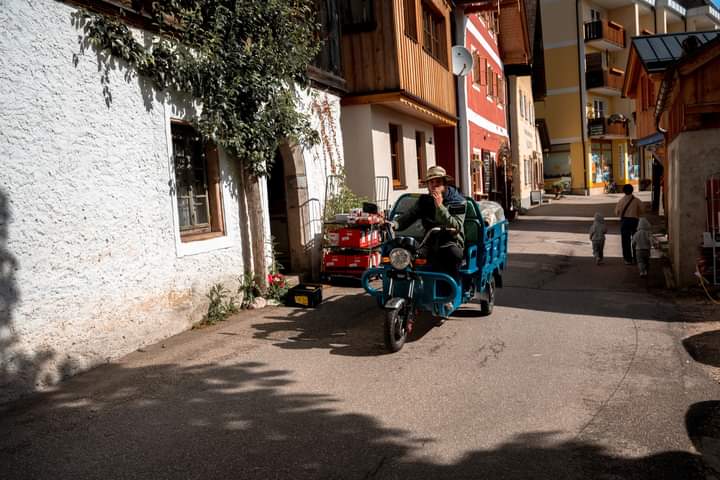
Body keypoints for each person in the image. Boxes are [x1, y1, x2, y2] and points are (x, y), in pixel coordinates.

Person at [393, 165, 466, 294]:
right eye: (431, 182)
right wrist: (394, 224)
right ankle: (407, 292)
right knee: (402, 253)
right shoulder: (424, 201)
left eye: (438, 182)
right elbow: (409, 216)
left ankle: (450, 293)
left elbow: (456, 225)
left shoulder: (457, 201)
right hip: (428, 241)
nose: (434, 186)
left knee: (453, 255)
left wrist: (440, 207)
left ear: (445, 184)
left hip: (450, 241)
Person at [615, 184, 643, 265]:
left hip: (625, 221)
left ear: (624, 191)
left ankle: (627, 259)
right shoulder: (637, 200)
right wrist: (636, 213)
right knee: (636, 240)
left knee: (625, 240)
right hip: (635, 221)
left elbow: (616, 212)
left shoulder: (621, 201)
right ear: (632, 190)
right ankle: (636, 257)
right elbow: (643, 210)